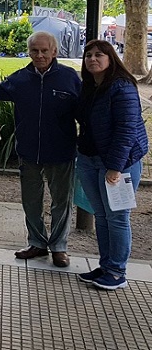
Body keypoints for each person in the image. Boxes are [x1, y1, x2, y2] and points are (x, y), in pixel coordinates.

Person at [0, 31, 81, 267]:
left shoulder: (69, 77)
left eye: (44, 50)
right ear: (29, 52)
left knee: (61, 201)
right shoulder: (20, 78)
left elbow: (85, 111)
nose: (40, 55)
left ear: (54, 52)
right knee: (31, 201)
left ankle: (59, 247)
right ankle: (37, 243)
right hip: (29, 151)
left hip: (61, 151)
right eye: (35, 51)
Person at [76, 40, 147, 290]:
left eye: (99, 55)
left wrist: (115, 168)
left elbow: (126, 130)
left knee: (117, 217)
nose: (92, 59)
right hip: (90, 159)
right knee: (102, 216)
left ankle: (117, 272)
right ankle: (106, 266)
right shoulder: (90, 87)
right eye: (88, 55)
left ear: (110, 58)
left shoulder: (122, 87)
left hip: (120, 164)